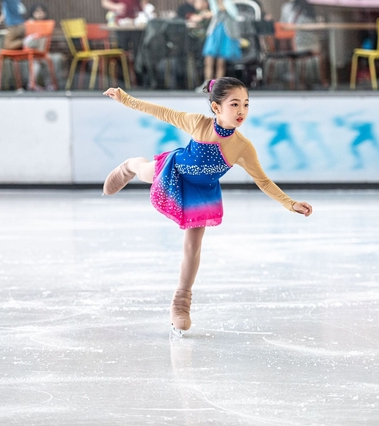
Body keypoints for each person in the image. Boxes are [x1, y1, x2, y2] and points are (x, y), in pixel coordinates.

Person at [101, 77, 313, 336]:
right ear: (216, 107)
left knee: (193, 245)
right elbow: (160, 112)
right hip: (174, 171)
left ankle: (181, 303)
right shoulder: (198, 124)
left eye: (246, 104)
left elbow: (263, 181)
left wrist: (291, 203)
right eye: (234, 104)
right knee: (144, 171)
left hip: (200, 193)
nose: (241, 111)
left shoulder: (243, 147)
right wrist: (125, 99)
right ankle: (130, 165)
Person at [200, 0, 241, 87]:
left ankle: (217, 86)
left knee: (221, 62)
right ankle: (207, 84)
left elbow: (234, 14)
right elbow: (215, 12)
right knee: (208, 60)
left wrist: (224, 4)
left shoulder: (228, 2)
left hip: (226, 33)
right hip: (214, 32)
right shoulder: (213, 2)